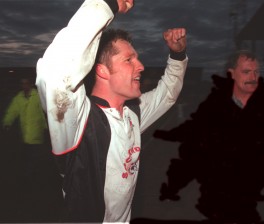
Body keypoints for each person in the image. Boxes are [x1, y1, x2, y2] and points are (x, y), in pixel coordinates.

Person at [35, 0, 188, 222]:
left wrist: (178, 55)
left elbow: (167, 94)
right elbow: (55, 75)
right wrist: (105, 4)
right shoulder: (79, 122)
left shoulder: (132, 114)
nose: (141, 66)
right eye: (129, 59)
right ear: (103, 71)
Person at [154, 50, 264, 223]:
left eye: (256, 71)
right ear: (231, 74)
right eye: (246, 72)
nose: (253, 76)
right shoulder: (215, 106)